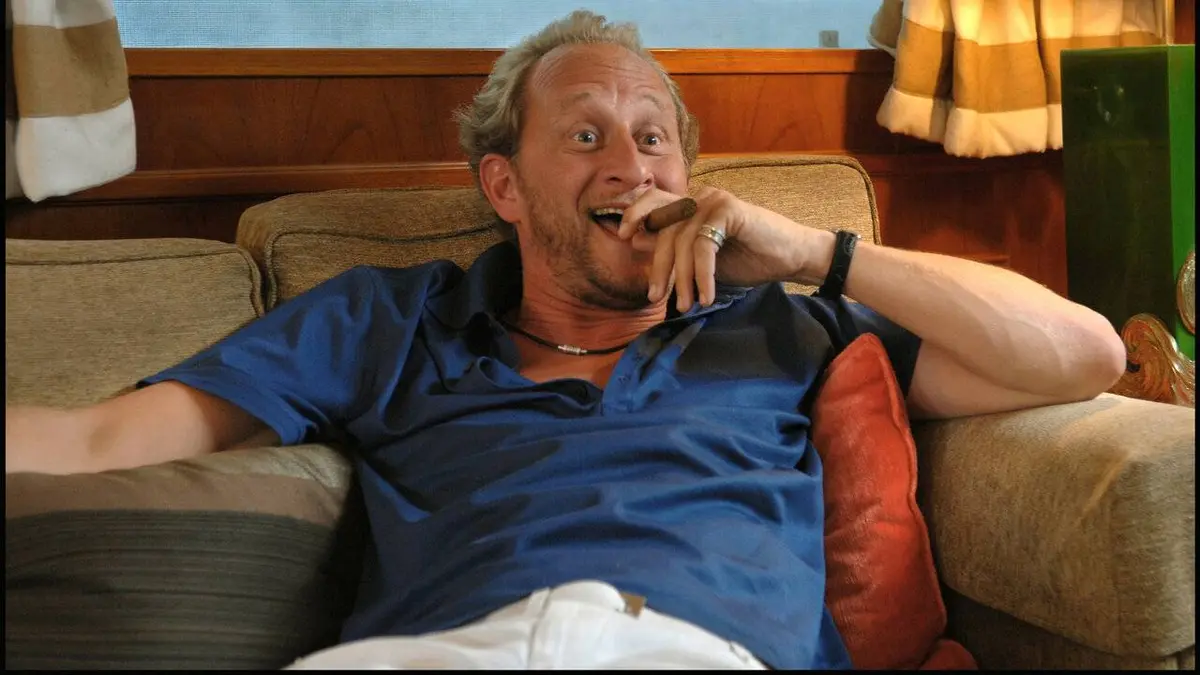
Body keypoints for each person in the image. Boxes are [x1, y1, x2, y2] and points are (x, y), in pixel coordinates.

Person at [5, 9, 1126, 671]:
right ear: (504, 185)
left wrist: (810, 251)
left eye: (654, 139)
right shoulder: (386, 317)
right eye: (585, 136)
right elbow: (96, 442)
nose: (631, 167)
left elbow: (1085, 354)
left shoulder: (788, 318)